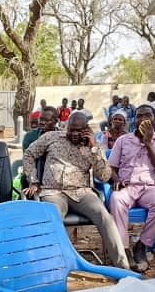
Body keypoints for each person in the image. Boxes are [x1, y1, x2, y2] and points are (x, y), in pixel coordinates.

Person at [23, 113, 130, 270]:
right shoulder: (52, 137)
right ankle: (52, 266)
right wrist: (34, 180)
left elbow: (105, 176)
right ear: (66, 126)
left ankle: (123, 268)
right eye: (71, 129)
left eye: (78, 130)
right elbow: (29, 154)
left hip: (82, 193)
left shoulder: (93, 145)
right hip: (54, 192)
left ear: (86, 129)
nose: (74, 134)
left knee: (105, 217)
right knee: (52, 218)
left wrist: (93, 148)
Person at [108, 105, 155, 272]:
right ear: (134, 120)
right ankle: (124, 249)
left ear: (154, 119)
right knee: (116, 199)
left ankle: (142, 245)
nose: (142, 120)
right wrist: (115, 179)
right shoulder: (123, 140)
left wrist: (149, 143)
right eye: (139, 116)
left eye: (147, 116)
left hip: (150, 186)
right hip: (127, 185)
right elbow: (112, 168)